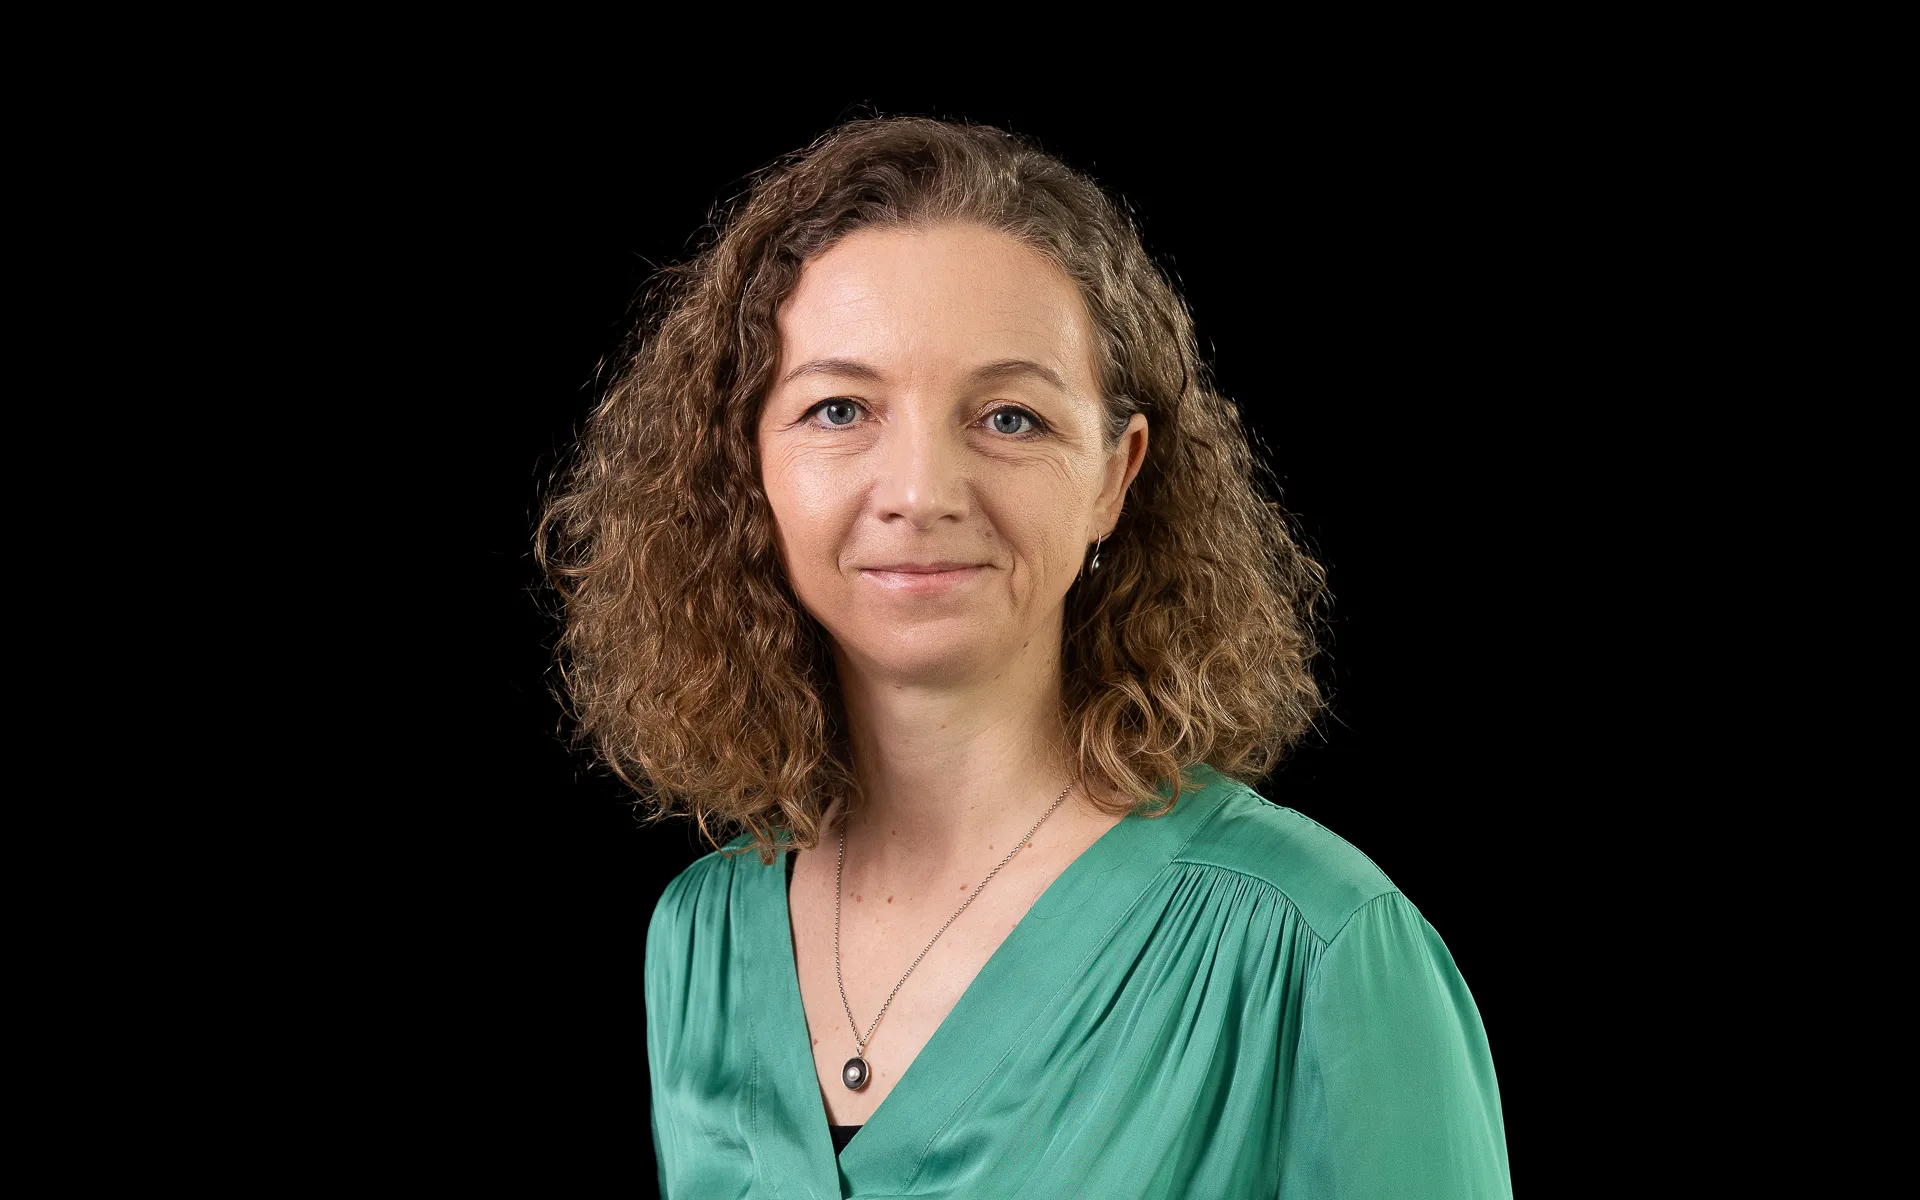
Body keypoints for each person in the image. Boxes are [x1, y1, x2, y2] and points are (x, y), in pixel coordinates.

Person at [539, 116, 1510, 1198]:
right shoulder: (703, 936)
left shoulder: (1320, 946)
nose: (920, 491)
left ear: (1115, 475)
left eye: (1009, 417)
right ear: (745, 468)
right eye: (839, 409)